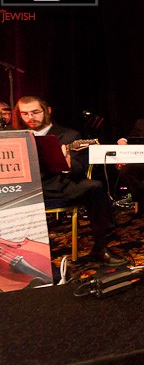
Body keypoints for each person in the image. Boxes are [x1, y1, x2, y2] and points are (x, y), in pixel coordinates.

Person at [13, 96, 128, 266]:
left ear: (47, 111)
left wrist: (67, 164)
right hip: (23, 188)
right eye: (25, 113)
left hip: (58, 185)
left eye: (35, 112)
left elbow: (78, 168)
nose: (30, 117)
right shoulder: (12, 135)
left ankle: (101, 246)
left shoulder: (69, 135)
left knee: (94, 187)